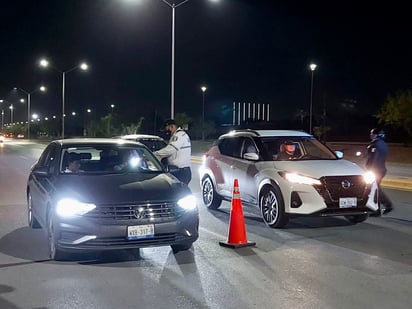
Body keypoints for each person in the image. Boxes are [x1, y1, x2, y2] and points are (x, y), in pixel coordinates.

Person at [153, 119, 192, 184]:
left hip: (180, 172)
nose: (167, 131)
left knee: (179, 192)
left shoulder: (179, 135)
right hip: (180, 171)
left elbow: (170, 150)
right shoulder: (179, 135)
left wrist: (155, 154)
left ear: (172, 127)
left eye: (167, 129)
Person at [366, 128, 393, 215]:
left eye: (372, 133)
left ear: (376, 135)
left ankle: (387, 205)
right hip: (382, 169)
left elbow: (374, 158)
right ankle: (376, 210)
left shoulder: (374, 145)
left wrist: (370, 169)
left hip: (375, 170)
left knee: (374, 189)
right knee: (374, 189)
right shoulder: (384, 144)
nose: (370, 135)